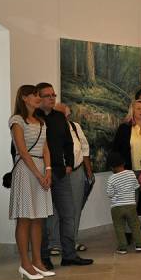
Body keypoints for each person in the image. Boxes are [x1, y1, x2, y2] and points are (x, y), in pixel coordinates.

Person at [36, 83, 93, 268]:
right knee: (44, 218)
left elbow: (68, 143)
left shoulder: (59, 117)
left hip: (60, 174)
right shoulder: (33, 118)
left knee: (68, 214)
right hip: (41, 174)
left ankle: (69, 255)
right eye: (48, 95)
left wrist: (69, 164)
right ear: (38, 97)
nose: (52, 98)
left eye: (53, 95)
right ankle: (43, 257)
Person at [9, 85, 54, 280]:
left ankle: (37, 261)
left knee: (38, 218)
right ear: (24, 98)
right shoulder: (17, 120)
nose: (38, 98)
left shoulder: (41, 121)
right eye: (35, 95)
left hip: (41, 170)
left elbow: (45, 149)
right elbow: (22, 151)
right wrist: (38, 174)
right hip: (26, 171)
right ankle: (25, 264)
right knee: (25, 218)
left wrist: (48, 171)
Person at [48, 103, 93, 253]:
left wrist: (88, 170)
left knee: (75, 207)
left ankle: (71, 241)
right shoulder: (47, 126)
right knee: (55, 208)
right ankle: (55, 243)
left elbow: (84, 148)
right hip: (57, 172)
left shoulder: (75, 126)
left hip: (76, 171)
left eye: (66, 116)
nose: (64, 119)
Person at [106, 151, 141, 255]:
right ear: (123, 163)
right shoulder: (131, 173)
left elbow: (109, 194)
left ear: (111, 167)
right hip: (130, 205)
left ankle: (122, 247)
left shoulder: (111, 178)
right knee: (135, 225)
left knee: (119, 227)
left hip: (116, 207)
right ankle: (140, 244)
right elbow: (136, 186)